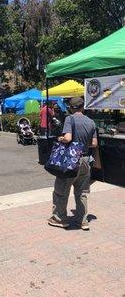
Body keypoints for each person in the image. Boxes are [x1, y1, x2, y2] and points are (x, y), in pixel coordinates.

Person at [48, 97, 98, 231]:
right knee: (81, 193)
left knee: (61, 191)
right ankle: (83, 221)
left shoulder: (70, 119)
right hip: (86, 160)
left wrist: (61, 138)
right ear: (83, 107)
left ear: (71, 107)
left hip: (71, 162)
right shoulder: (91, 122)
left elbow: (68, 138)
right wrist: (81, 146)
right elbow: (94, 144)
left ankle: (60, 218)